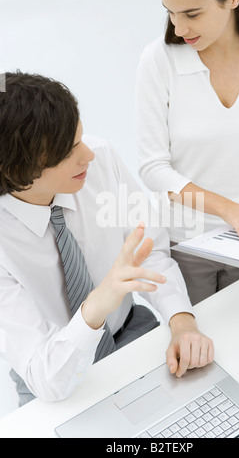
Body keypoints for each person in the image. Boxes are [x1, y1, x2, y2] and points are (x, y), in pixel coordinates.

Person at [0, 72, 214, 407]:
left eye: (80, 138)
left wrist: (181, 320)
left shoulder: (100, 161)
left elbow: (151, 251)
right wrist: (97, 304)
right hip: (53, 375)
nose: (88, 155)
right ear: (18, 172)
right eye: (68, 152)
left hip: (130, 333)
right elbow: (45, 376)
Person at [136, 0, 239, 305]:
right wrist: (229, 209)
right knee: (194, 342)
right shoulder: (159, 60)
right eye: (170, 12)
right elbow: (153, 168)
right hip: (185, 240)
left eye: (192, 14)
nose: (179, 28)